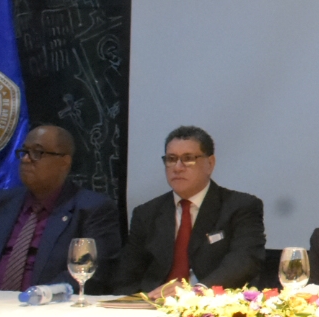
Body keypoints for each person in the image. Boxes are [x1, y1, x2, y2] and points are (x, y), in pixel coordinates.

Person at [0, 125, 121, 293]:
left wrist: (40, 297)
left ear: (64, 162)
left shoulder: (92, 209)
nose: (25, 159)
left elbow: (94, 270)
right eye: (24, 152)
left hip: (46, 306)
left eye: (37, 153)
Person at [113, 126, 266, 296]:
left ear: (210, 163)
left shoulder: (240, 206)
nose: (177, 167)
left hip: (210, 305)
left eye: (188, 159)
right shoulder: (146, 213)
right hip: (154, 304)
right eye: (171, 159)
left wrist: (196, 292)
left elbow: (244, 261)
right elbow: (126, 277)